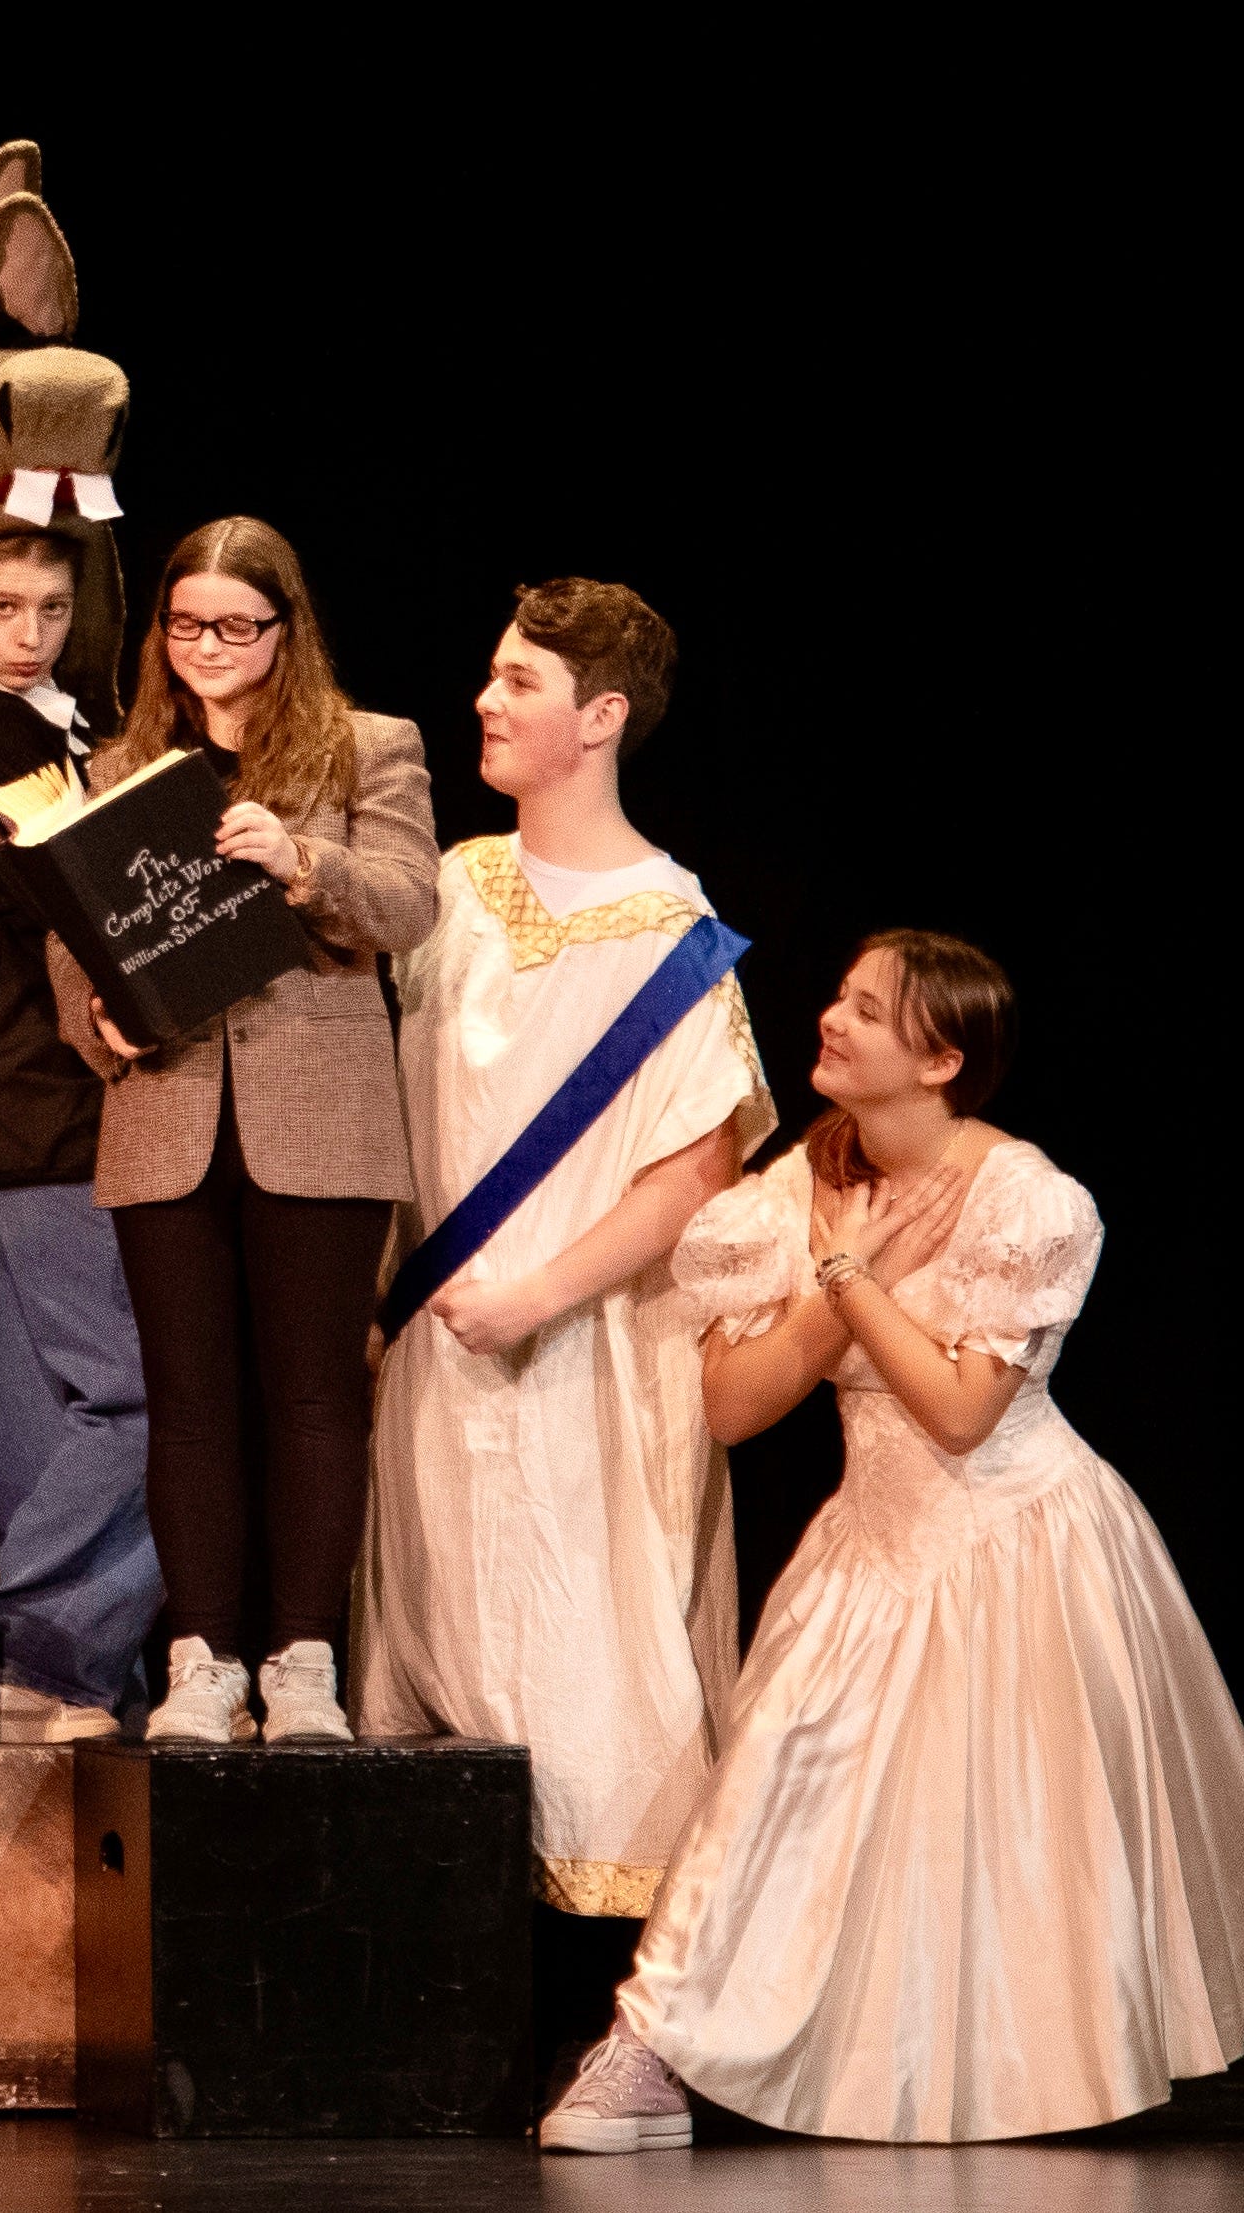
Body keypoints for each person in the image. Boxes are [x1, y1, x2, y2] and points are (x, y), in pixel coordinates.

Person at [537, 934, 1244, 2149]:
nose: (832, 1019)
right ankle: (645, 2050)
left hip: (1028, 1538)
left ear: (939, 1059)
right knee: (766, 1790)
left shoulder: (1026, 1201)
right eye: (840, 998)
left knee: (1188, 1811)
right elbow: (734, 1407)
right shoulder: (795, 1187)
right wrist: (836, 1281)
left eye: (867, 1010)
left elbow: (962, 1413)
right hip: (871, 1546)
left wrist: (848, 1282)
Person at [353, 580, 773, 1924]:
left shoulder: (670, 930)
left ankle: (617, 1997)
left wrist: (536, 1290)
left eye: (518, 681)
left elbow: (695, 1170)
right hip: (434, 1345)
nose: (484, 699)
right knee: (433, 1627)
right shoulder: (449, 888)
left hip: (588, 1355)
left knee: (586, 1643)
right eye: (492, 672)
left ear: (599, 717)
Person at [39, 518, 440, 1749]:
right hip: (166, 1110)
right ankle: (201, 1659)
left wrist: (301, 860)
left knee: (314, 1397)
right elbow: (71, 933)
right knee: (188, 1402)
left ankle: (303, 1660)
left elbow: (409, 904)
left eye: (235, 626)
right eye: (185, 625)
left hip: (317, 1114)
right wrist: (99, 1020)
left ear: (284, 627)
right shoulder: (121, 766)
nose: (208, 647)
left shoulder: (368, 746)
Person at [0, 524, 164, 1744]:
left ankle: (46, 1680)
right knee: (138, 1393)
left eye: (51, 610)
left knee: (20, 1434)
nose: (28, 635)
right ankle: (23, 1635)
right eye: (3, 607)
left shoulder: (55, 723)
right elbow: (66, 890)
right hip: (24, 1103)